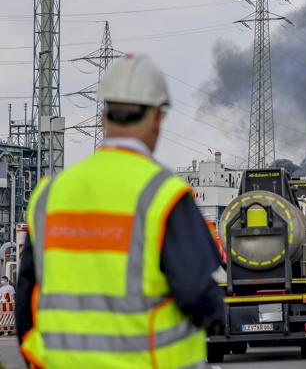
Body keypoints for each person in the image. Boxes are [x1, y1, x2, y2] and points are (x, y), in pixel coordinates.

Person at [16, 54, 225, 368]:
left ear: (103, 116)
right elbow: (199, 296)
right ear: (157, 118)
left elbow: (25, 303)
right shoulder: (164, 196)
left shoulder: (50, 195)